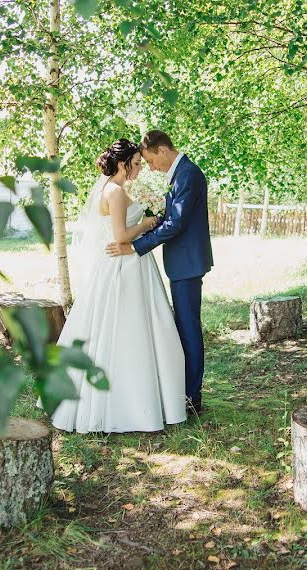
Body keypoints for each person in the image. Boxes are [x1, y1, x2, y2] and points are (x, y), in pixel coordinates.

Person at [47, 138, 187, 433]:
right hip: (123, 265)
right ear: (123, 164)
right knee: (129, 330)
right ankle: (132, 404)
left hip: (123, 264)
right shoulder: (115, 192)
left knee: (117, 331)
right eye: (136, 164)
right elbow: (121, 236)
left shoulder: (111, 189)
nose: (139, 169)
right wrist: (149, 223)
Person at [107, 130, 213, 415]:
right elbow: (172, 218)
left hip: (188, 264)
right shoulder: (181, 175)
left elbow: (176, 224)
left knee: (189, 329)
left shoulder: (188, 174)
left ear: (163, 151)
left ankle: (192, 398)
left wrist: (137, 246)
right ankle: (185, 391)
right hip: (182, 262)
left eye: (152, 161)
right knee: (183, 326)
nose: (151, 167)